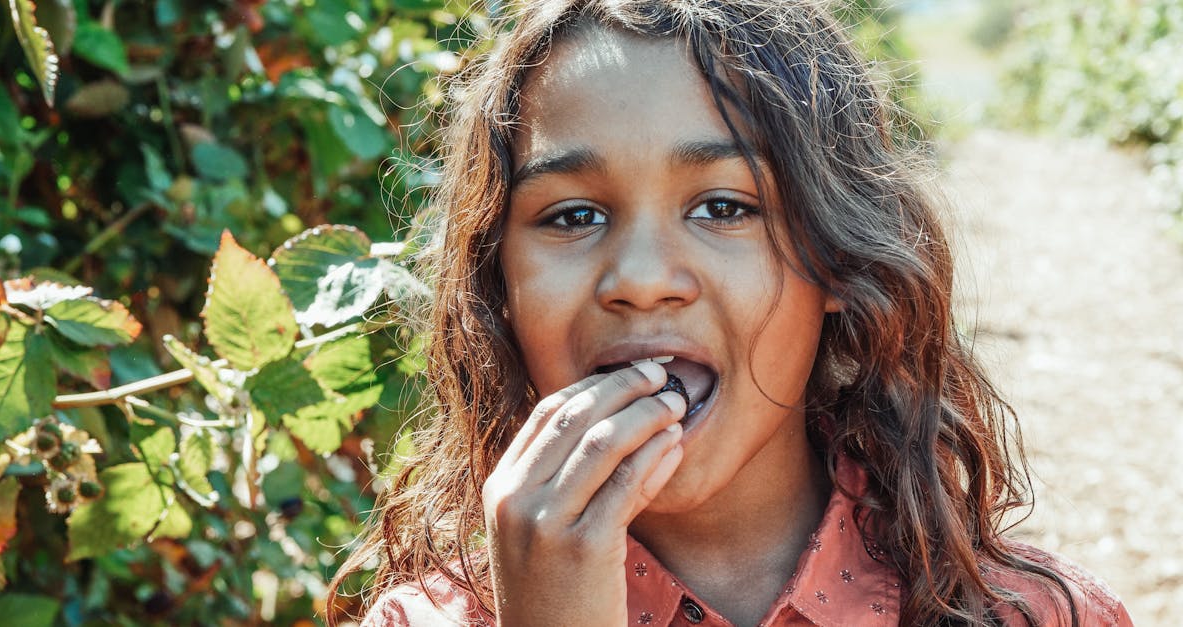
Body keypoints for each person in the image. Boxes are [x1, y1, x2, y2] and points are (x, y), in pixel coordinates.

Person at [330, 1, 1134, 625]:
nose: (641, 281)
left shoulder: (1036, 613)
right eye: (573, 216)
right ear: (496, 285)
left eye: (723, 206)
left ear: (837, 258)